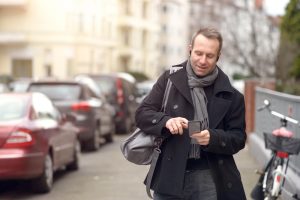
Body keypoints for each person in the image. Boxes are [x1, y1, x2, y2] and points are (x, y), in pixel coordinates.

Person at [135, 27, 247, 200]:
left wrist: (213, 138)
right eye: (198, 53)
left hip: (210, 176)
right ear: (190, 49)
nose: (202, 60)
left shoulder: (232, 95)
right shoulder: (169, 80)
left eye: (209, 56)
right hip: (170, 175)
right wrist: (165, 121)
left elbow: (239, 138)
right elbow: (142, 114)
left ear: (218, 56)